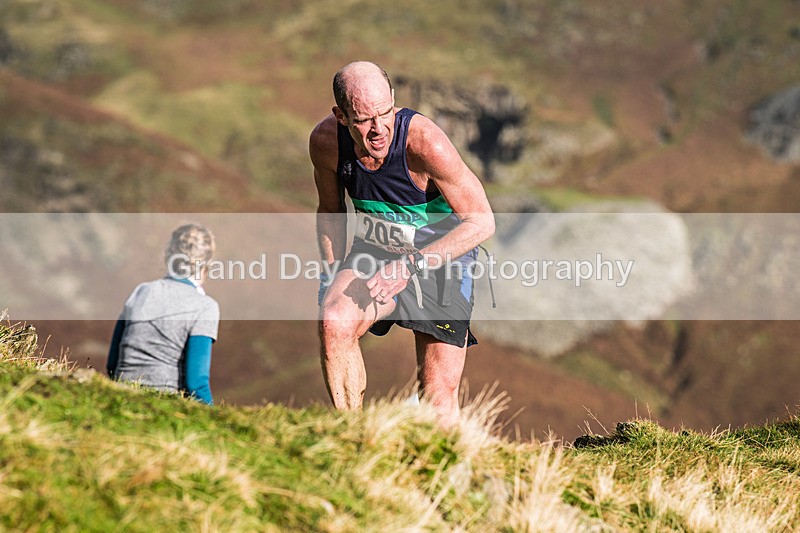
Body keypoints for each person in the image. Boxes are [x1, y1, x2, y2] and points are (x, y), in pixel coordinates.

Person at [310, 61, 495, 427]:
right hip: (376, 251)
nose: (379, 129)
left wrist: (411, 265)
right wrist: (331, 273)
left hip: (442, 259)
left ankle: (443, 476)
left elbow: (482, 220)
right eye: (364, 120)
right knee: (333, 321)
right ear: (341, 116)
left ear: (393, 100)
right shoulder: (327, 143)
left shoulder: (425, 143)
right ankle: (353, 441)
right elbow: (330, 209)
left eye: (385, 113)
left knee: (437, 398)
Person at [106, 223, 219, 405]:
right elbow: (196, 384)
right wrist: (220, 423)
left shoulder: (141, 292)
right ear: (207, 265)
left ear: (168, 256)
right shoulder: (205, 307)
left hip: (120, 398)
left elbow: (113, 363)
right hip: (165, 405)